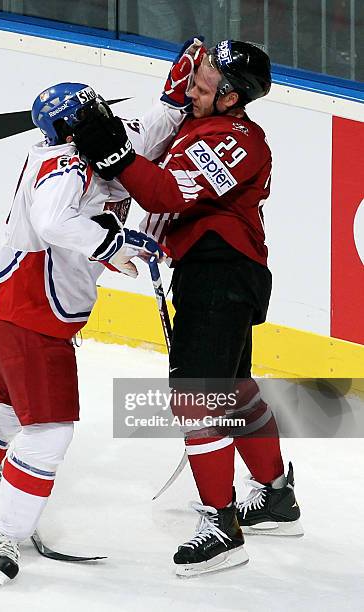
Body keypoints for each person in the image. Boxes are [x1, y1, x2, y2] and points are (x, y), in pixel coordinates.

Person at [0, 82, 184, 585]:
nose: (104, 119)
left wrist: (172, 102)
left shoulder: (91, 146)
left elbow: (140, 135)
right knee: (49, 431)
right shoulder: (65, 164)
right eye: (92, 115)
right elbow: (50, 220)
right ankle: (5, 536)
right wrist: (115, 242)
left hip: (8, 308)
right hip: (32, 318)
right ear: (70, 128)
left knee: (1, 408)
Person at [72, 39, 303, 576]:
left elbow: (165, 193)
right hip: (214, 271)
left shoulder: (239, 139)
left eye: (203, 85)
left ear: (230, 97)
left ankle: (221, 527)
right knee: (235, 391)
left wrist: (116, 155)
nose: (192, 88)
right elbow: (153, 174)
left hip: (221, 271)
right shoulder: (198, 121)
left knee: (198, 400)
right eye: (194, 77)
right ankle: (275, 496)